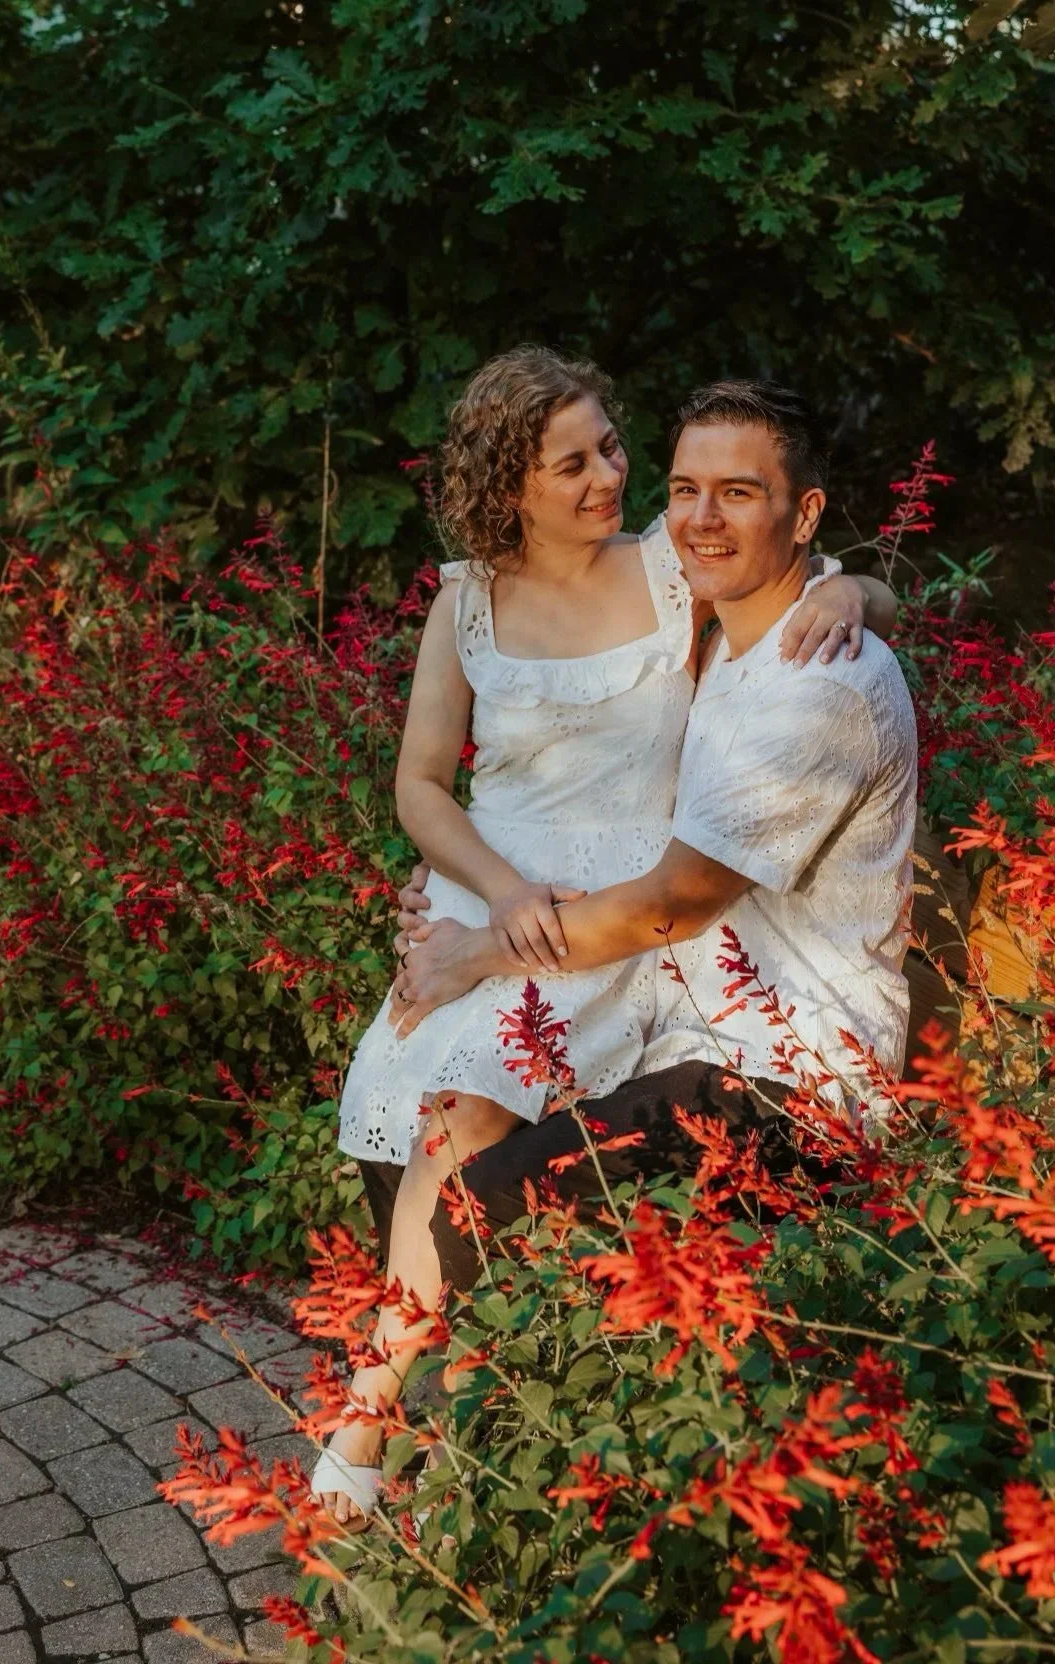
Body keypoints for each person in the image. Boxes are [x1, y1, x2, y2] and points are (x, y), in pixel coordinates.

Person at [311, 352, 896, 1521]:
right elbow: (421, 781)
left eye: (611, 448)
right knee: (418, 1125)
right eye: (572, 462)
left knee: (468, 1134)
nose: (608, 477)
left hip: (620, 910)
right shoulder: (467, 600)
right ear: (509, 485)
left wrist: (856, 594)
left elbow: (809, 578)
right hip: (499, 892)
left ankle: (369, 1431)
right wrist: (489, 896)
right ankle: (450, 1428)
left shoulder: (671, 567)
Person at [388, 379, 918, 1291]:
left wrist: (472, 952)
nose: (699, 518)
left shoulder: (812, 681)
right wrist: (464, 890)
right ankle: (405, 1379)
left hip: (790, 1075)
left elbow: (672, 903)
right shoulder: (724, 639)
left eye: (736, 493)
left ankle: (397, 1382)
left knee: (479, 1194)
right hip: (685, 1027)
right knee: (430, 1130)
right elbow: (470, 784)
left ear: (804, 514)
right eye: (683, 490)